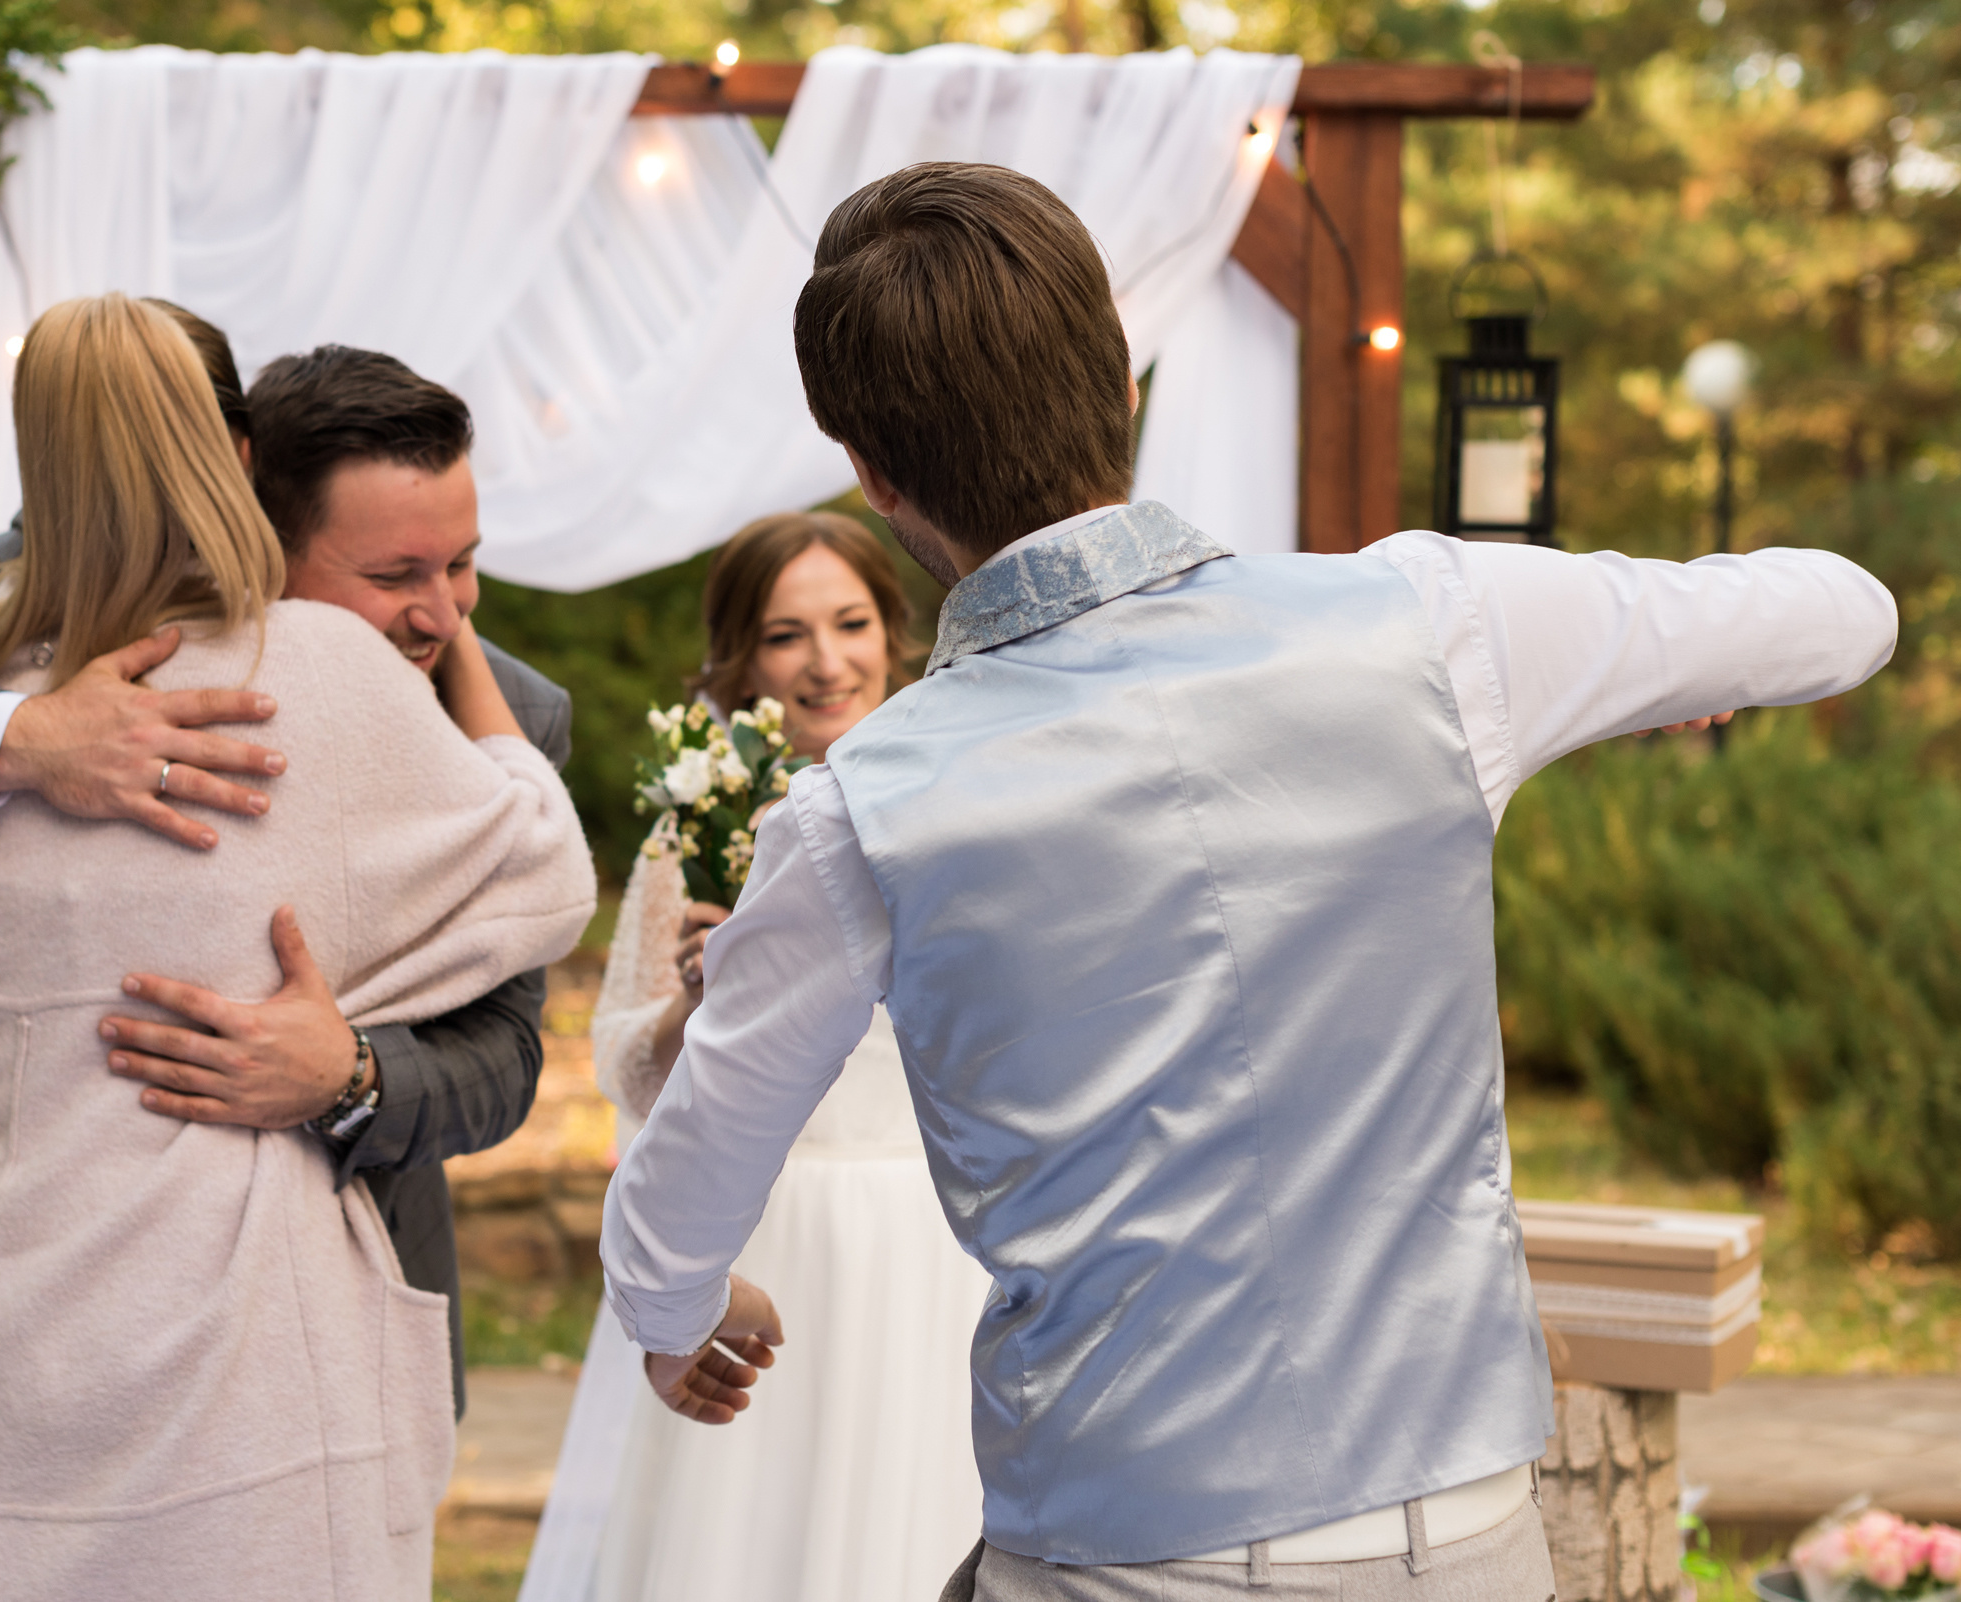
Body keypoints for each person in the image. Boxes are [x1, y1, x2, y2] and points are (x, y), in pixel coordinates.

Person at [599, 162, 1899, 1602]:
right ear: (1121, 387)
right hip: (1462, 1528)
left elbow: (682, 1190)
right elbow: (1847, 615)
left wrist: (681, 1312)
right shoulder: (1436, 625)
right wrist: (1617, 678)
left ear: (876, 476)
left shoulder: (857, 813)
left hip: (1121, 1546)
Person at [0, 294, 596, 1599]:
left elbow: (496, 1061)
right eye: (397, 576)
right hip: (240, 1395)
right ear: (243, 475)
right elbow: (545, 872)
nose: (447, 615)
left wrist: (345, 1072)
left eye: (461, 571)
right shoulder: (312, 682)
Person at [520, 513, 988, 1602]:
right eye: (787, 635)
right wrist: (696, 1004)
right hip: (764, 1240)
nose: (827, 661)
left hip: (933, 1239)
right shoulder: (703, 828)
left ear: (893, 633)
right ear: (742, 659)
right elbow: (625, 1068)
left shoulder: (962, 794)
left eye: (851, 623)